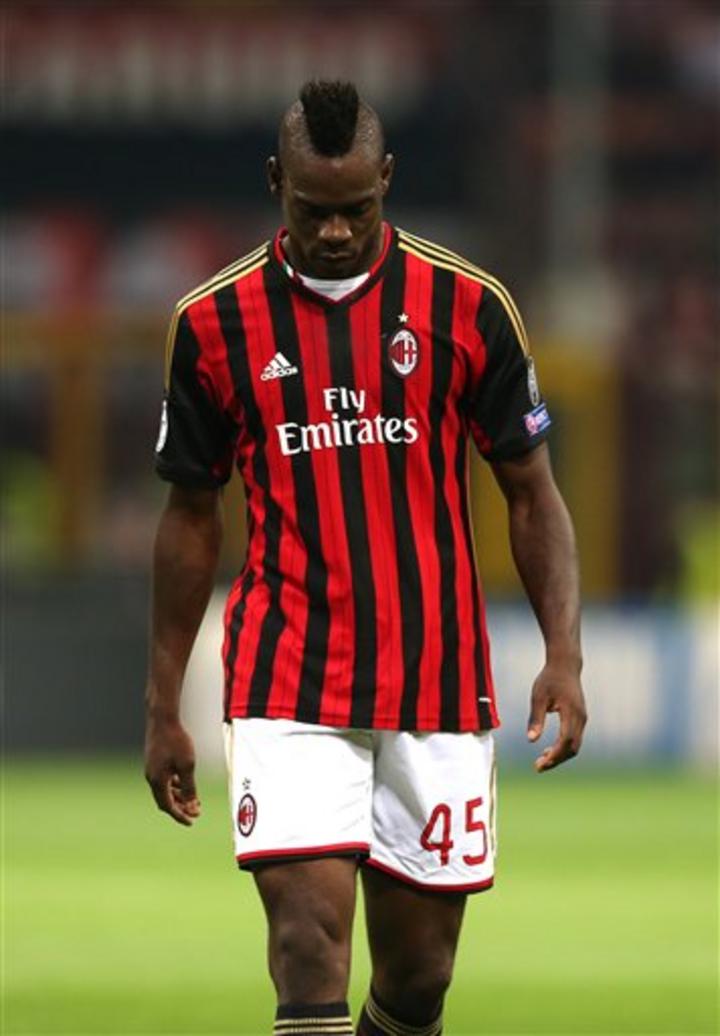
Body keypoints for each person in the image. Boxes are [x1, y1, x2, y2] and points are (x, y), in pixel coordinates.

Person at [144, 79, 586, 1036]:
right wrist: (162, 703)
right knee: (308, 947)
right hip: (288, 676)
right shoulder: (212, 323)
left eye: (356, 208)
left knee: (421, 977)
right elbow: (189, 516)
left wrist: (564, 653)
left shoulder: (468, 305)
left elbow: (532, 493)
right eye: (313, 210)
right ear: (276, 183)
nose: (337, 232)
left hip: (437, 678)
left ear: (387, 178)